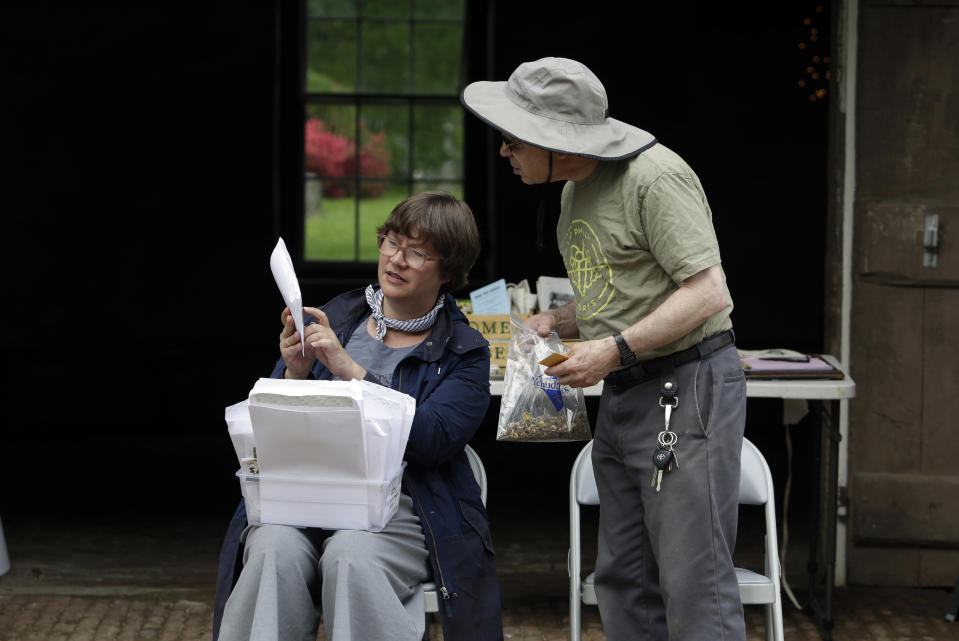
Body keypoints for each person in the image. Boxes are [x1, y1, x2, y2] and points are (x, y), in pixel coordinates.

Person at [462, 57, 747, 641]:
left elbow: (707, 291)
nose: (503, 152)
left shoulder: (655, 178)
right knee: (624, 577)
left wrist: (612, 350)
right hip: (623, 393)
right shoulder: (573, 191)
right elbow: (614, 296)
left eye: (512, 139)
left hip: (683, 388)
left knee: (695, 580)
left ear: (552, 138)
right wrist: (555, 321)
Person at [212, 191, 503, 641]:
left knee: (350, 554)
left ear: (448, 271)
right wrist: (296, 371)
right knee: (271, 548)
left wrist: (352, 373)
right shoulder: (337, 317)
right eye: (391, 241)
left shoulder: (465, 352)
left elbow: (435, 439)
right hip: (306, 493)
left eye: (418, 252)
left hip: (405, 507)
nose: (397, 259)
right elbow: (266, 423)